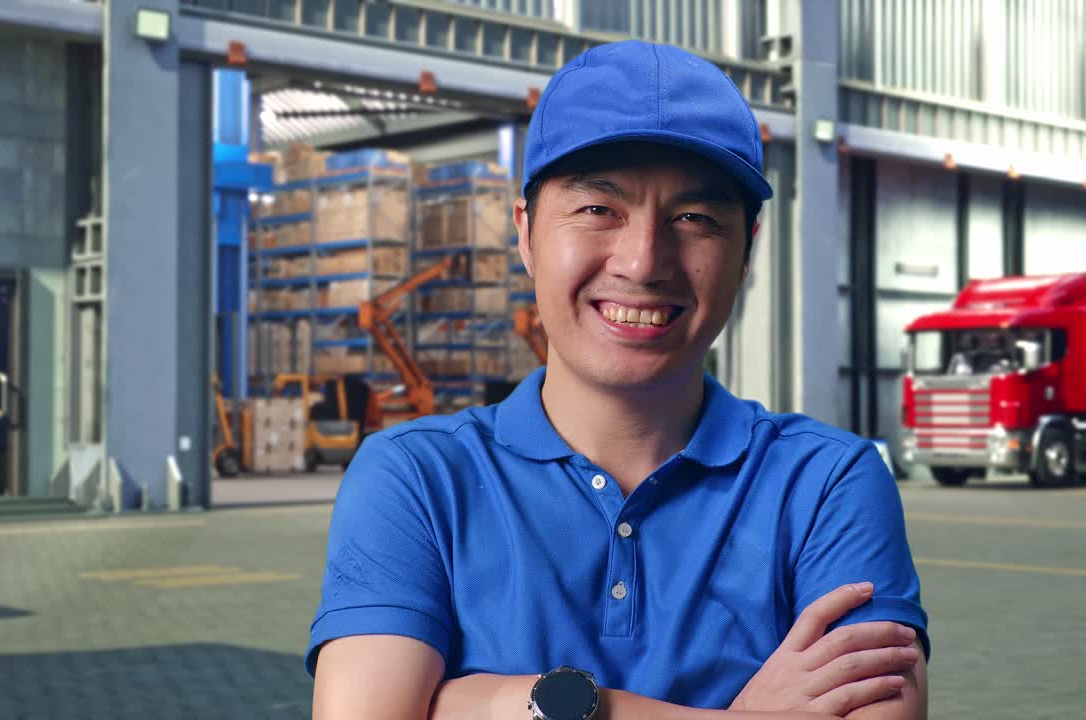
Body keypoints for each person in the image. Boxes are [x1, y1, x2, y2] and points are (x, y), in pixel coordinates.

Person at [307, 40, 929, 720]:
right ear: (526, 233)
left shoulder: (827, 483)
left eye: (695, 219)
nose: (643, 261)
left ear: (746, 250)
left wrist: (472, 704)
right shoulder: (418, 477)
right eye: (599, 209)